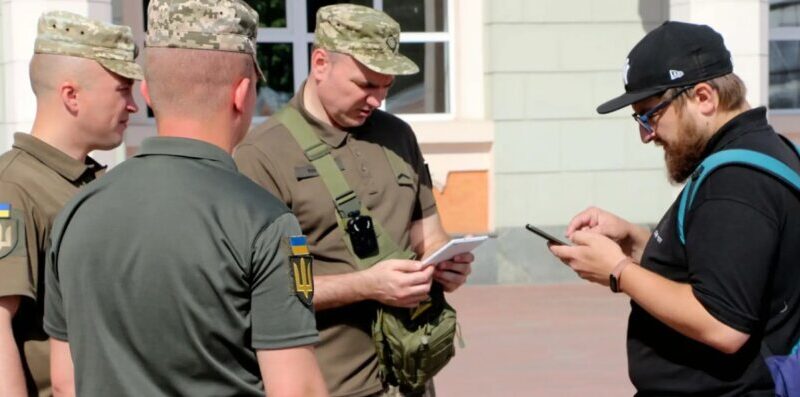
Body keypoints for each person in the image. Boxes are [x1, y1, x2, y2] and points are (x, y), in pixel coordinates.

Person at [42, 1, 328, 396]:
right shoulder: (263, 222)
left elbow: (65, 381)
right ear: (242, 94)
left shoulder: (76, 211)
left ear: (146, 92)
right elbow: (297, 389)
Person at [549, 21, 800, 395]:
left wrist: (619, 271)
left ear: (704, 98)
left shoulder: (735, 182)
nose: (646, 134)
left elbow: (722, 324)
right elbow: (724, 267)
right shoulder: (767, 150)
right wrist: (636, 242)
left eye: (650, 114)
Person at [234, 4, 473, 396]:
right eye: (365, 84)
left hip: (410, 379)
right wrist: (366, 285)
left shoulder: (398, 136)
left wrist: (445, 262)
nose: (378, 99)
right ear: (321, 62)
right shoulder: (262, 154)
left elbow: (427, 233)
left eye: (386, 86)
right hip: (329, 384)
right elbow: (266, 291)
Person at [0, 11, 141, 397]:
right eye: (122, 89)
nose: (134, 106)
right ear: (72, 96)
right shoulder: (13, 187)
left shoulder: (95, 183)